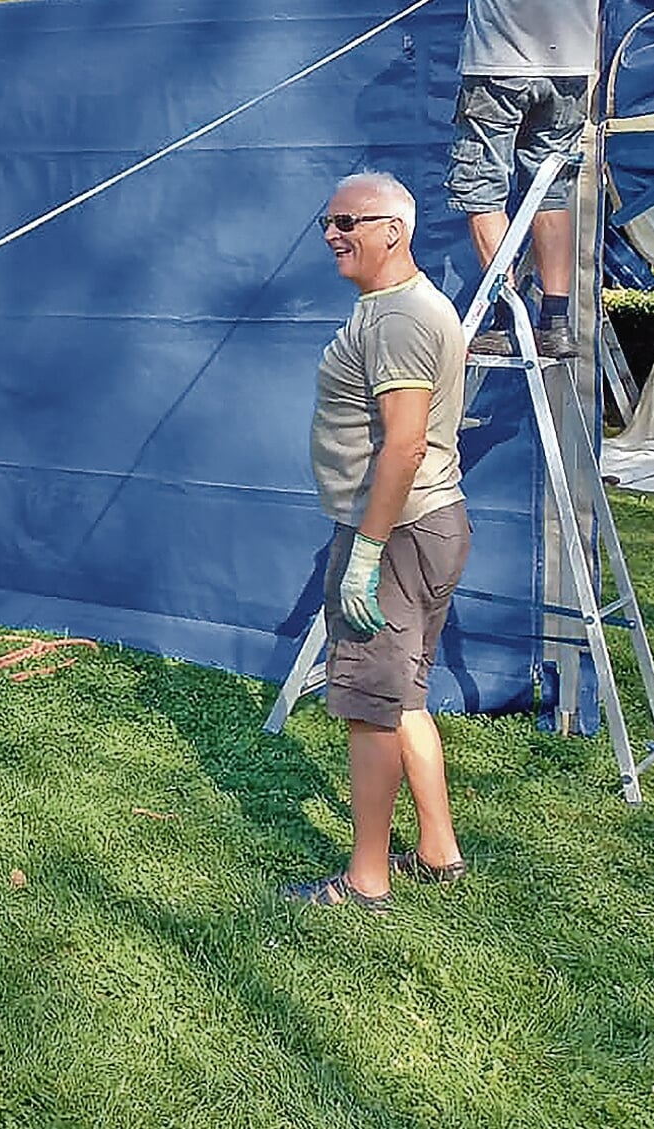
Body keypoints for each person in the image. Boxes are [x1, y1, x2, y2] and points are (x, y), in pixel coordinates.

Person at [287, 172, 471, 913]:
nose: (332, 234)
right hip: (429, 522)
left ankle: (365, 881)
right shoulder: (399, 307)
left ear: (392, 231)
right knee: (405, 694)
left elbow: (402, 444)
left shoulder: (396, 319)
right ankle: (437, 849)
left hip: (394, 532)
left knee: (367, 703)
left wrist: (364, 553)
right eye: (326, 221)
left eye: (347, 221)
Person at [445, 0, 598, 358]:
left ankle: (508, 322)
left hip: (499, 59)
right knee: (551, 191)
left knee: (481, 189)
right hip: (570, 65)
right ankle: (555, 325)